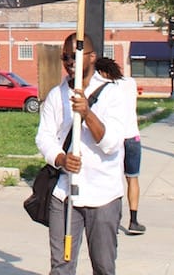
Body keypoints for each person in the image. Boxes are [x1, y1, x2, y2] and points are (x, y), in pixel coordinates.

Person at [36, 33, 129, 275]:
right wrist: (60, 158)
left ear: (92, 57)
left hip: (103, 195)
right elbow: (44, 137)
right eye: (65, 57)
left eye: (75, 56)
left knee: (103, 266)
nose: (69, 62)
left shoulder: (112, 93)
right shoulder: (57, 95)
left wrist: (87, 113)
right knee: (61, 267)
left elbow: (111, 143)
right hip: (65, 194)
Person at [96, 58, 145, 235]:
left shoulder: (104, 88)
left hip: (115, 138)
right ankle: (133, 220)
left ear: (102, 72)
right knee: (133, 178)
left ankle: (114, 220)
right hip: (132, 136)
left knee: (114, 180)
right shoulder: (130, 83)